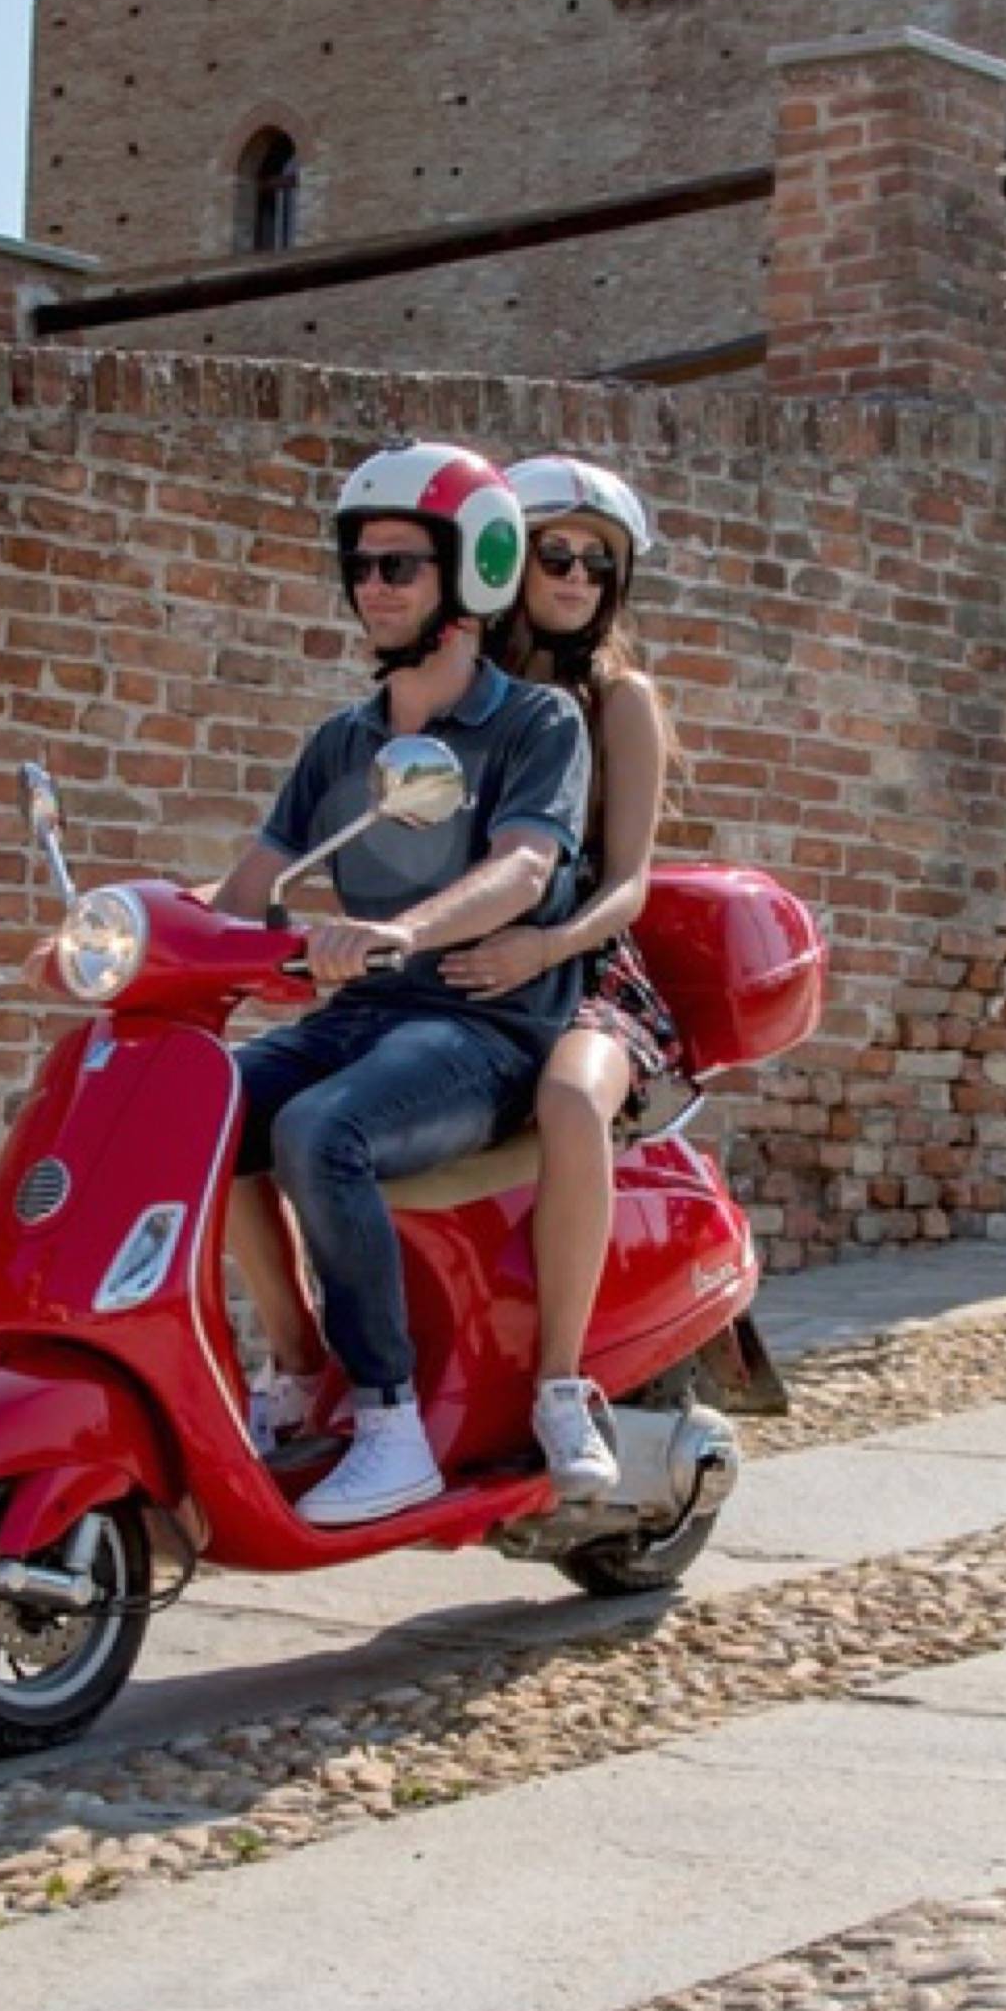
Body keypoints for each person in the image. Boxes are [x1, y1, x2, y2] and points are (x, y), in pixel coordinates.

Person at [211, 443, 593, 1527]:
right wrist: (122, 925)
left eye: (398, 566)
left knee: (320, 1131)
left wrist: (398, 929)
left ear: (467, 577)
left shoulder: (535, 723)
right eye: (362, 565)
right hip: (372, 1012)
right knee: (205, 1103)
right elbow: (253, 883)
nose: (371, 586)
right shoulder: (345, 738)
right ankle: (293, 1364)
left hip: (482, 1023)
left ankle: (391, 1422)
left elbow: (523, 865)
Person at [438, 456, 684, 1508]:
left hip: (581, 964)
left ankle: (559, 1384)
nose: (579, 574)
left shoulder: (617, 699)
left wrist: (541, 950)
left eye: (599, 560)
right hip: (460, 962)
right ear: (504, 563)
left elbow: (629, 883)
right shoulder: (456, 688)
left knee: (570, 1095)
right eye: (557, 552)